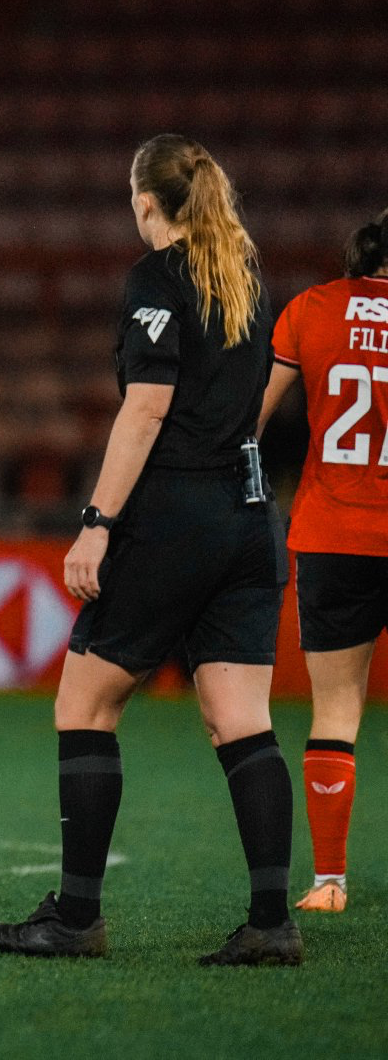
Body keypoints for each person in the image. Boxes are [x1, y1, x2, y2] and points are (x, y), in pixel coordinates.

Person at [0, 134, 299, 967]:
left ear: (142, 200)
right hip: (251, 511)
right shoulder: (247, 276)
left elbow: (145, 410)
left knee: (84, 705)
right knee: (241, 720)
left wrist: (96, 521)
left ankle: (77, 916)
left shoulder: (156, 278)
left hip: (177, 515)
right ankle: (273, 919)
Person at [256, 206, 388, 914]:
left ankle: (329, 881)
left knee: (337, 707)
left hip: (334, 532)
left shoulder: (312, 307)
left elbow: (253, 416)